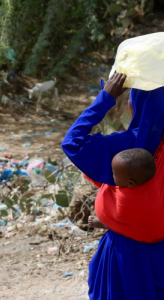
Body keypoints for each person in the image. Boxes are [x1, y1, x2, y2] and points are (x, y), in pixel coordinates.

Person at [62, 72, 164, 300]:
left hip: (124, 254)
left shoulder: (129, 147)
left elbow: (72, 143)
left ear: (138, 104)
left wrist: (105, 97)